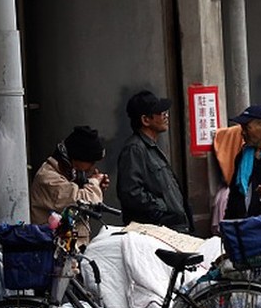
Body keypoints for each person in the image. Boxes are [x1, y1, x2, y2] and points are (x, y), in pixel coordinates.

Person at [117, 90, 192, 233]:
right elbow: (131, 193)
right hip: (155, 230)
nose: (166, 115)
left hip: (172, 228)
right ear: (145, 120)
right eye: (160, 112)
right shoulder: (134, 149)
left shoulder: (151, 147)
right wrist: (162, 207)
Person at [29, 125, 109, 245]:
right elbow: (83, 201)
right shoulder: (48, 178)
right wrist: (94, 183)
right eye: (90, 162)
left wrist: (94, 186)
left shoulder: (69, 175)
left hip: (71, 248)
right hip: (52, 251)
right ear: (76, 158)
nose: (92, 168)